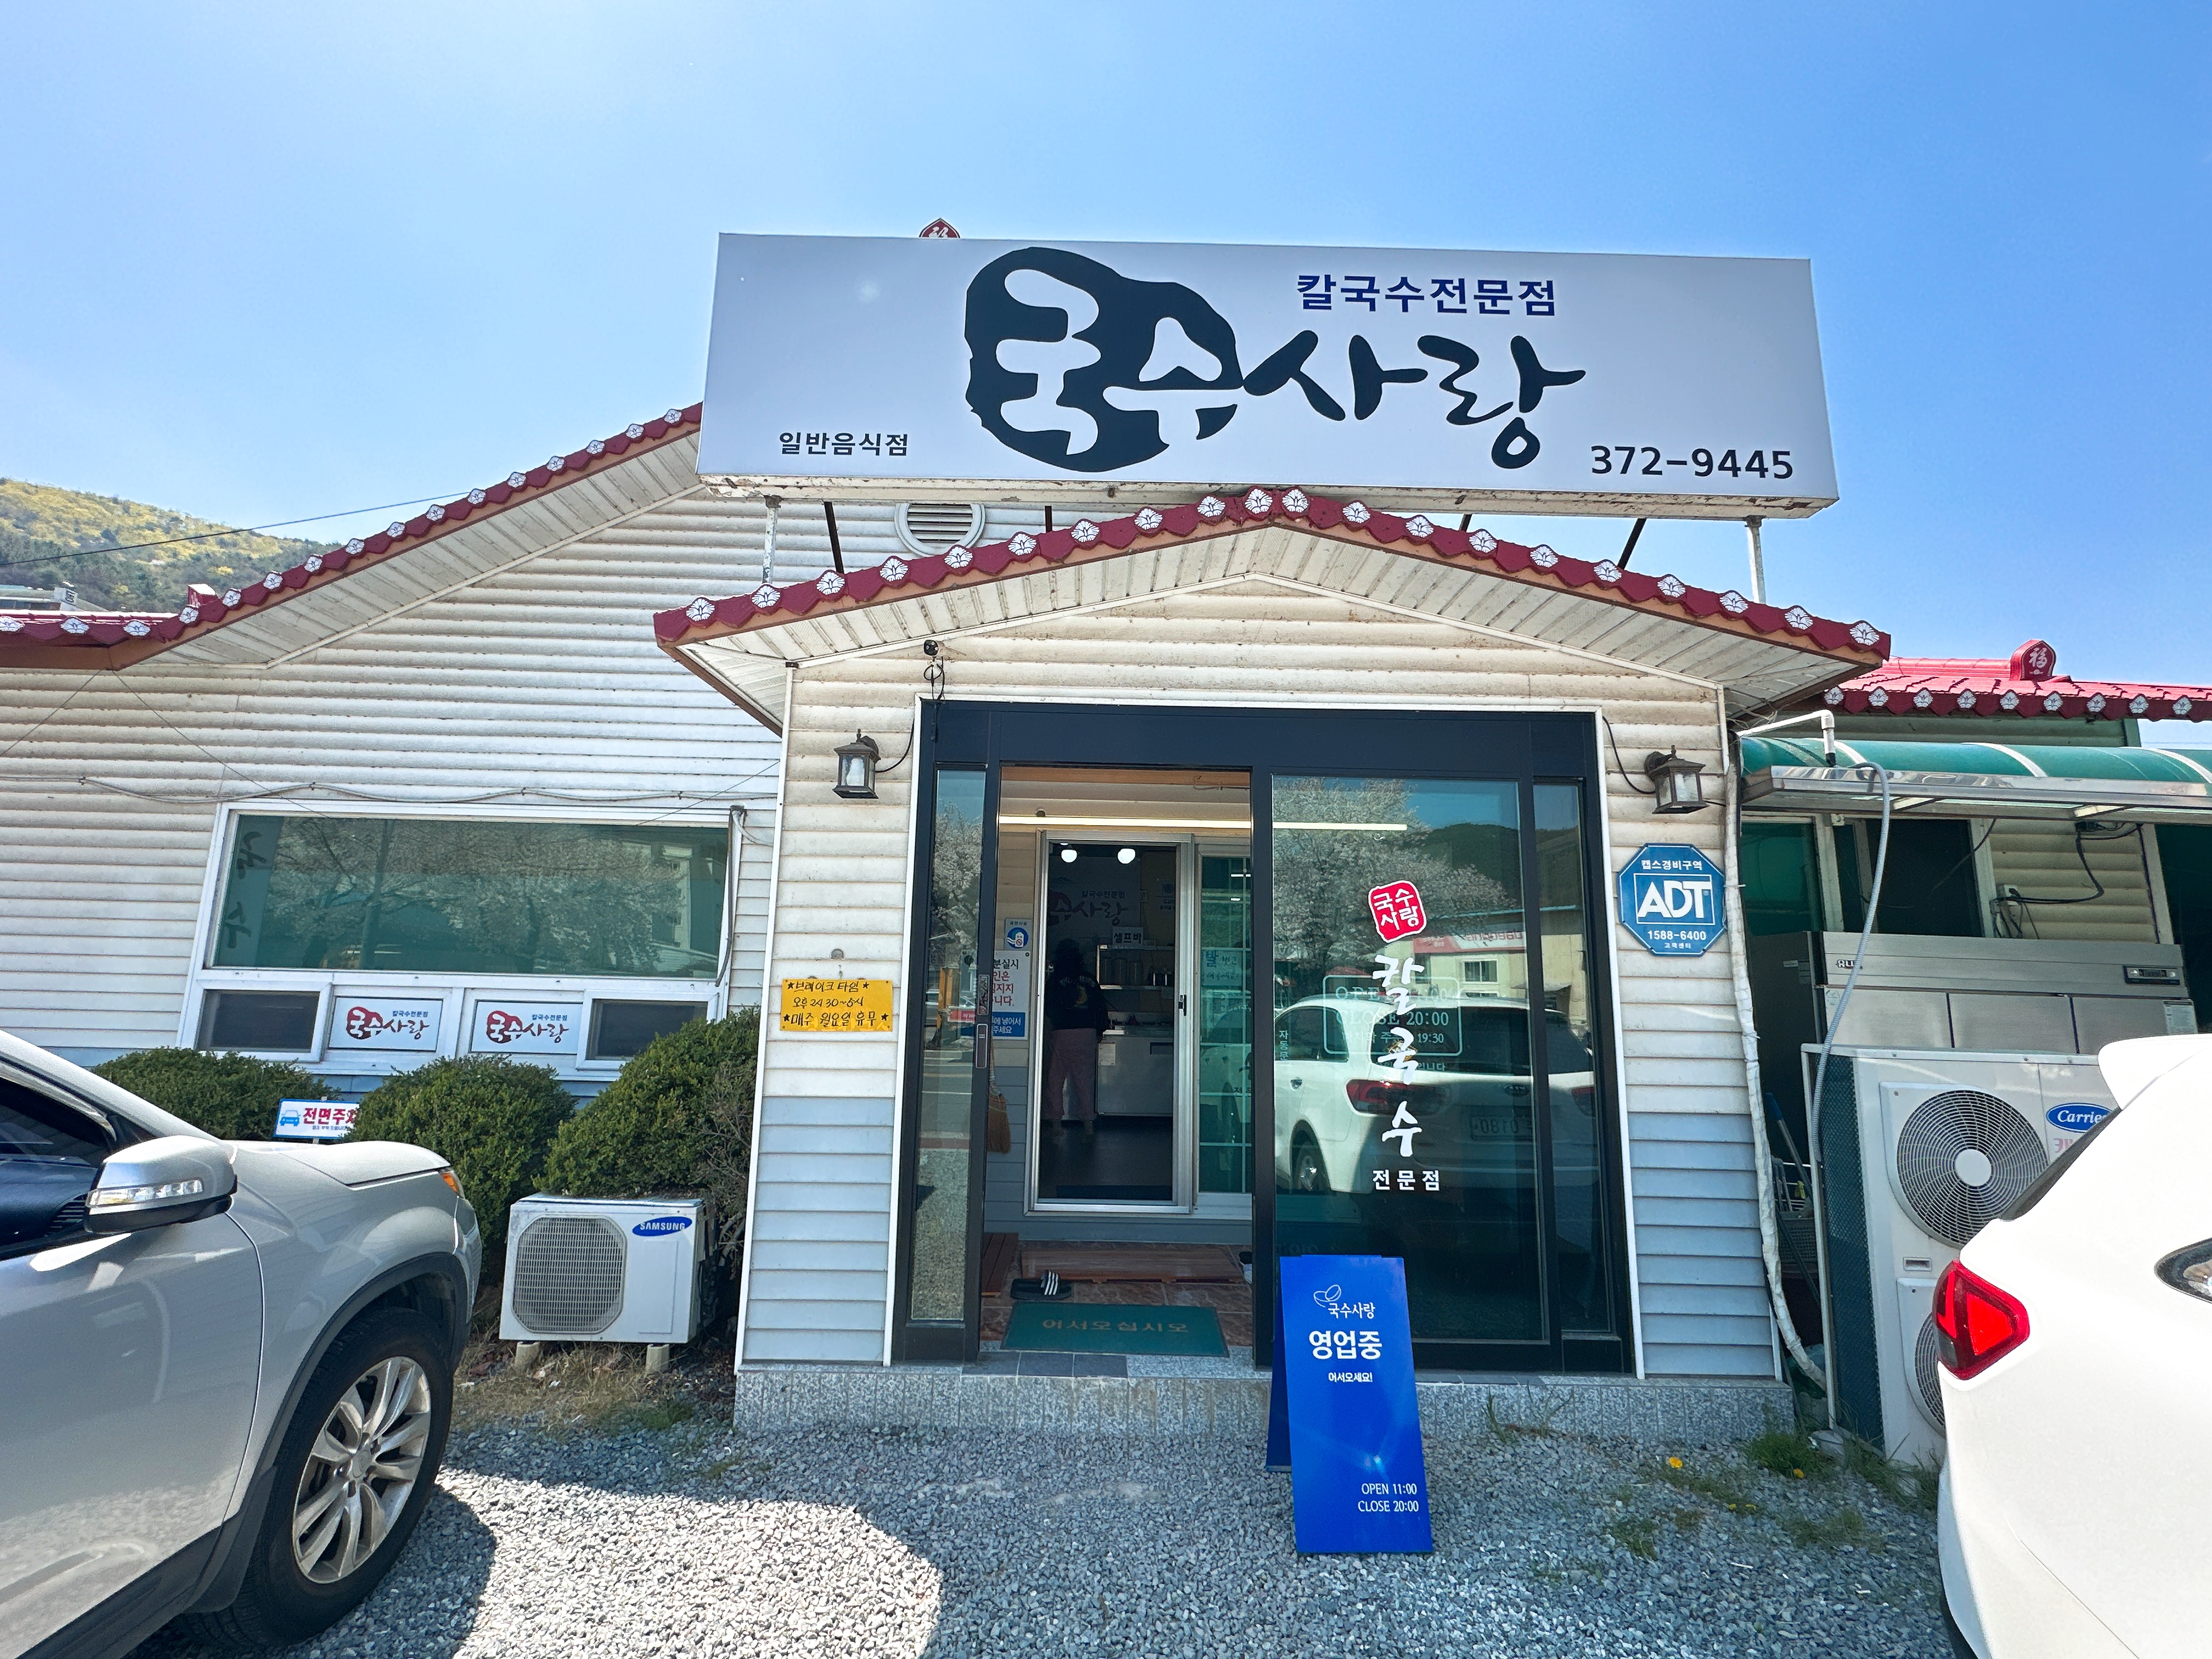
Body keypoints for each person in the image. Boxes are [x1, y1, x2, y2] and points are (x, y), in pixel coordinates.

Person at [1042, 938, 1108, 1128]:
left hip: (1062, 1032)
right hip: (1087, 1032)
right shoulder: (1090, 979)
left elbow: (1049, 1008)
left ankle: (1055, 1124)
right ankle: (1088, 1123)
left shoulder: (1055, 981)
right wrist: (1100, 1029)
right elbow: (1099, 1007)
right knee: (1083, 1079)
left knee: (1055, 1079)